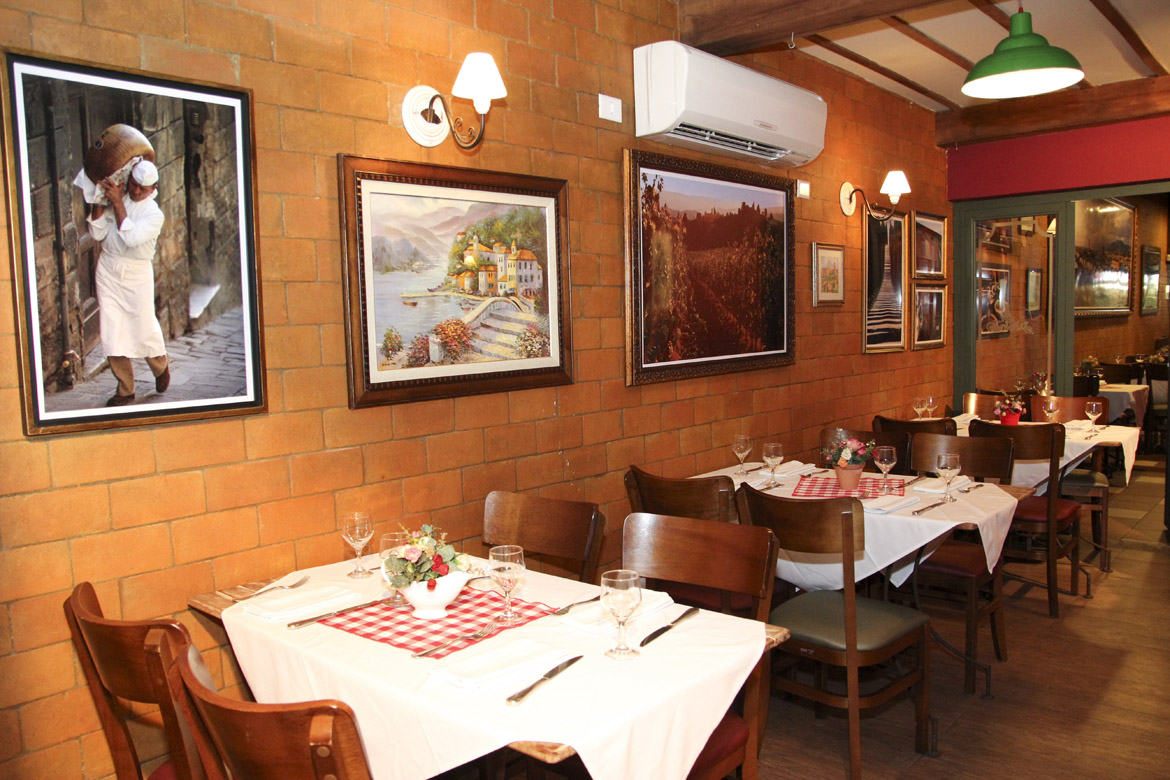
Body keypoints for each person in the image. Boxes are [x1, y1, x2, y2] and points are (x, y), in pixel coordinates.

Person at [87, 159, 170, 407]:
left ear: (153, 189)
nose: (135, 191)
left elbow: (131, 237)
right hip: (108, 269)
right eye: (133, 184)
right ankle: (125, 389)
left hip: (136, 273)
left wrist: (116, 203)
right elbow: (97, 233)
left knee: (142, 327)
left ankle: (160, 366)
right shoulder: (118, 196)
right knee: (112, 329)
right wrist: (99, 201)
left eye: (142, 188)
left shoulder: (154, 214)